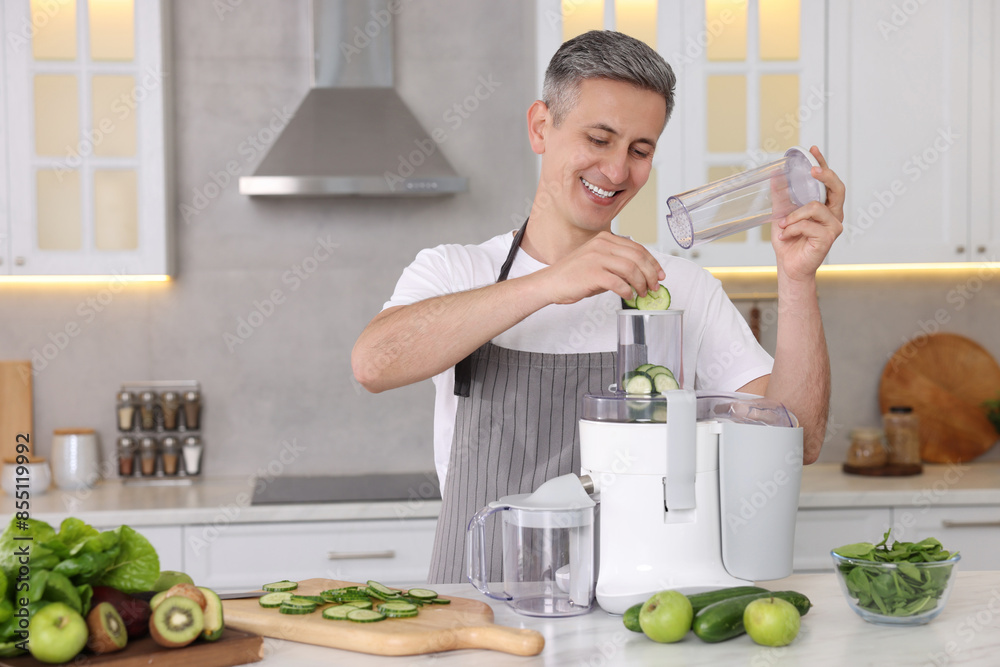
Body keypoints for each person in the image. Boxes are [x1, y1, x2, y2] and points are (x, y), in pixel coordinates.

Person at [352, 30, 845, 584]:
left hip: (636, 612)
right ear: (542, 126)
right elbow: (374, 363)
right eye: (599, 138)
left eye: (640, 150)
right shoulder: (456, 271)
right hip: (480, 608)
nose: (616, 171)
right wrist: (546, 285)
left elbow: (796, 439)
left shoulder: (679, 288)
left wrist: (798, 280)